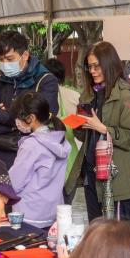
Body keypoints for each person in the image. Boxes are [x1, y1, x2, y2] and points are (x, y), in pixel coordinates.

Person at [66, 41, 130, 221]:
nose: (92, 71)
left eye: (96, 66)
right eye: (89, 66)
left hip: (116, 179)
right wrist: (78, 125)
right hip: (91, 176)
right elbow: (85, 136)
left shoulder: (127, 96)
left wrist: (102, 128)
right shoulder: (89, 94)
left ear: (109, 64)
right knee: (97, 233)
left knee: (117, 238)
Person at [8, 91, 70, 228]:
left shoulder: (31, 145)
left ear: (31, 118)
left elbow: (15, 182)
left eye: (18, 118)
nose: (16, 122)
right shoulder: (60, 139)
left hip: (29, 214)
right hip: (54, 213)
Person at [0, 30, 59, 123]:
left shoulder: (46, 81)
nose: (5, 63)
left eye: (9, 59)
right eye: (1, 59)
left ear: (25, 55)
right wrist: (13, 124)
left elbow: (41, 121)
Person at [44, 57, 81, 202]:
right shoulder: (75, 96)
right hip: (70, 158)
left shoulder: (39, 95)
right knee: (65, 207)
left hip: (47, 157)